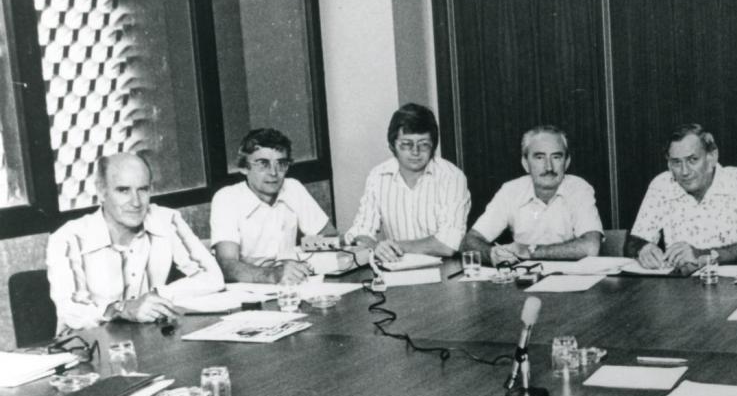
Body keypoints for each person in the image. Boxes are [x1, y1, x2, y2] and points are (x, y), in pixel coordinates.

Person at [46, 153, 223, 331]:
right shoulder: (68, 238)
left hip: (144, 338)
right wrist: (121, 309)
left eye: (143, 189)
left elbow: (212, 276)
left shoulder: (166, 220)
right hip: (86, 342)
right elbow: (70, 309)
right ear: (101, 191)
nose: (136, 202)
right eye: (123, 190)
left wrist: (156, 295)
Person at [625, 123, 737, 274]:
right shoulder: (661, 185)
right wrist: (642, 248)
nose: (684, 171)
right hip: (680, 285)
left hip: (735, 283)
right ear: (669, 164)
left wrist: (701, 255)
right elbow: (632, 243)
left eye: (693, 159)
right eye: (676, 162)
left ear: (712, 157)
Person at [210, 128, 340, 284]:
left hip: (290, 285)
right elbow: (227, 264)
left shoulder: (293, 188)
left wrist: (301, 257)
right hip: (248, 289)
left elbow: (330, 236)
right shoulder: (227, 198)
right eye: (263, 164)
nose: (273, 172)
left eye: (281, 164)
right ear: (244, 167)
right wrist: (272, 274)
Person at [344, 103, 470, 262]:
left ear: (433, 146)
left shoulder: (452, 178)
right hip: (395, 267)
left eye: (423, 144)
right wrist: (375, 247)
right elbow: (359, 231)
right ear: (392, 145)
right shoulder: (378, 176)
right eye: (406, 144)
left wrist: (393, 246)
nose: (415, 152)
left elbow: (448, 244)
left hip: (445, 270)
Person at [460, 125, 602, 265]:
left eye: (556, 157)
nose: (549, 167)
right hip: (525, 276)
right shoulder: (511, 190)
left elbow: (591, 247)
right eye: (539, 157)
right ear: (525, 164)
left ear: (567, 162)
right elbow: (469, 241)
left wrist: (529, 251)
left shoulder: (579, 189)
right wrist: (492, 254)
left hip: (571, 276)